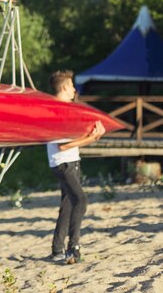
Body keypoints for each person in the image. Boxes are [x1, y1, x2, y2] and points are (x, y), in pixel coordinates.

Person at [47, 70, 105, 264]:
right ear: (64, 87)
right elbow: (61, 145)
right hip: (63, 163)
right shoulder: (56, 110)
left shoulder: (67, 107)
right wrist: (91, 139)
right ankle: (73, 248)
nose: (74, 89)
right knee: (81, 200)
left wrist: (92, 133)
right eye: (72, 86)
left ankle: (57, 250)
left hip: (70, 161)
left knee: (68, 205)